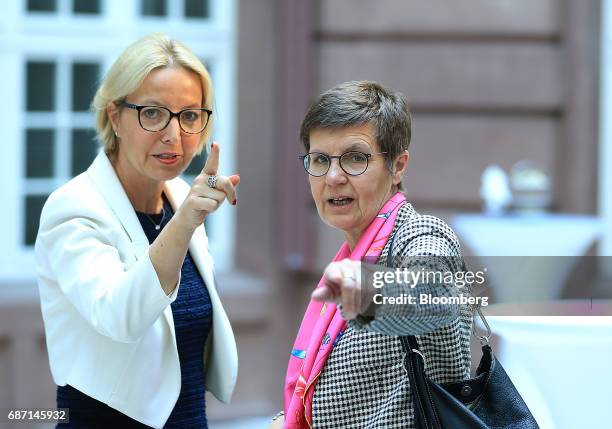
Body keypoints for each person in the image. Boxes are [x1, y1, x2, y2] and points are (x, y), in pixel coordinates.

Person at [35, 33, 239, 429]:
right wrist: (184, 224)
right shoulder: (73, 207)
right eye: (152, 113)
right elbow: (121, 316)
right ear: (115, 116)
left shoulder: (181, 198)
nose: (173, 134)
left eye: (190, 115)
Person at [282, 81, 473, 428]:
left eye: (356, 158)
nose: (334, 177)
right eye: (320, 160)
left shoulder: (421, 233)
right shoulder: (352, 255)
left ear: (397, 166)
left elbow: (432, 294)